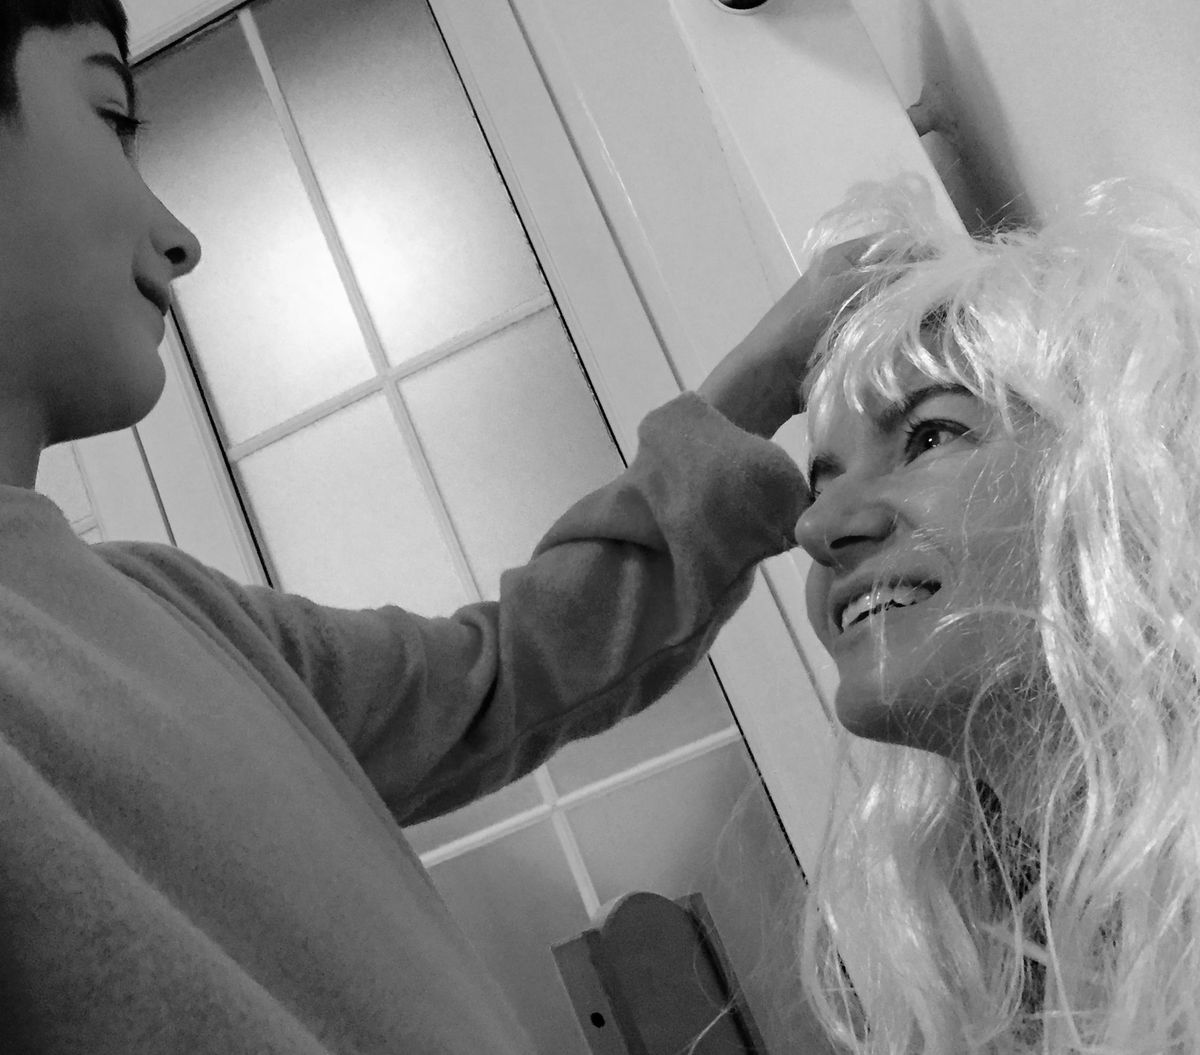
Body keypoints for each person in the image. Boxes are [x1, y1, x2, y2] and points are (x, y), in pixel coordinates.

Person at [0, 2, 864, 1052]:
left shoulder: (176, 610)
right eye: (108, 116)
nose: (181, 239)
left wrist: (768, 373)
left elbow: (507, 672)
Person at [789, 173, 1200, 1053]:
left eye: (930, 436)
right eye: (819, 485)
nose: (817, 528)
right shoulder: (997, 964)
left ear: (1121, 475)